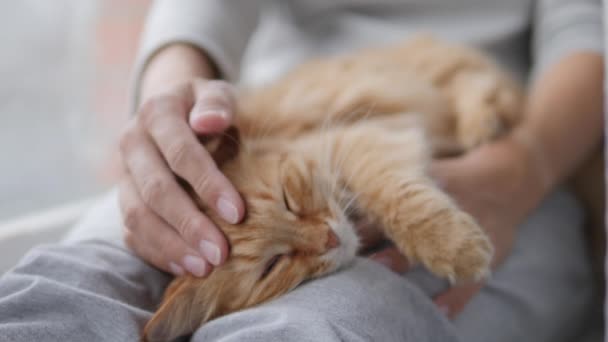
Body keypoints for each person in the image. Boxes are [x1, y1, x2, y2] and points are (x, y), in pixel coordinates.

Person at [0, 1, 603, 341]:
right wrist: (170, 111)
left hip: (517, 133)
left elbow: (590, 28)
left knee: (322, 327)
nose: (320, 240)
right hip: (261, 123)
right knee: (60, 294)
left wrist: (528, 165)